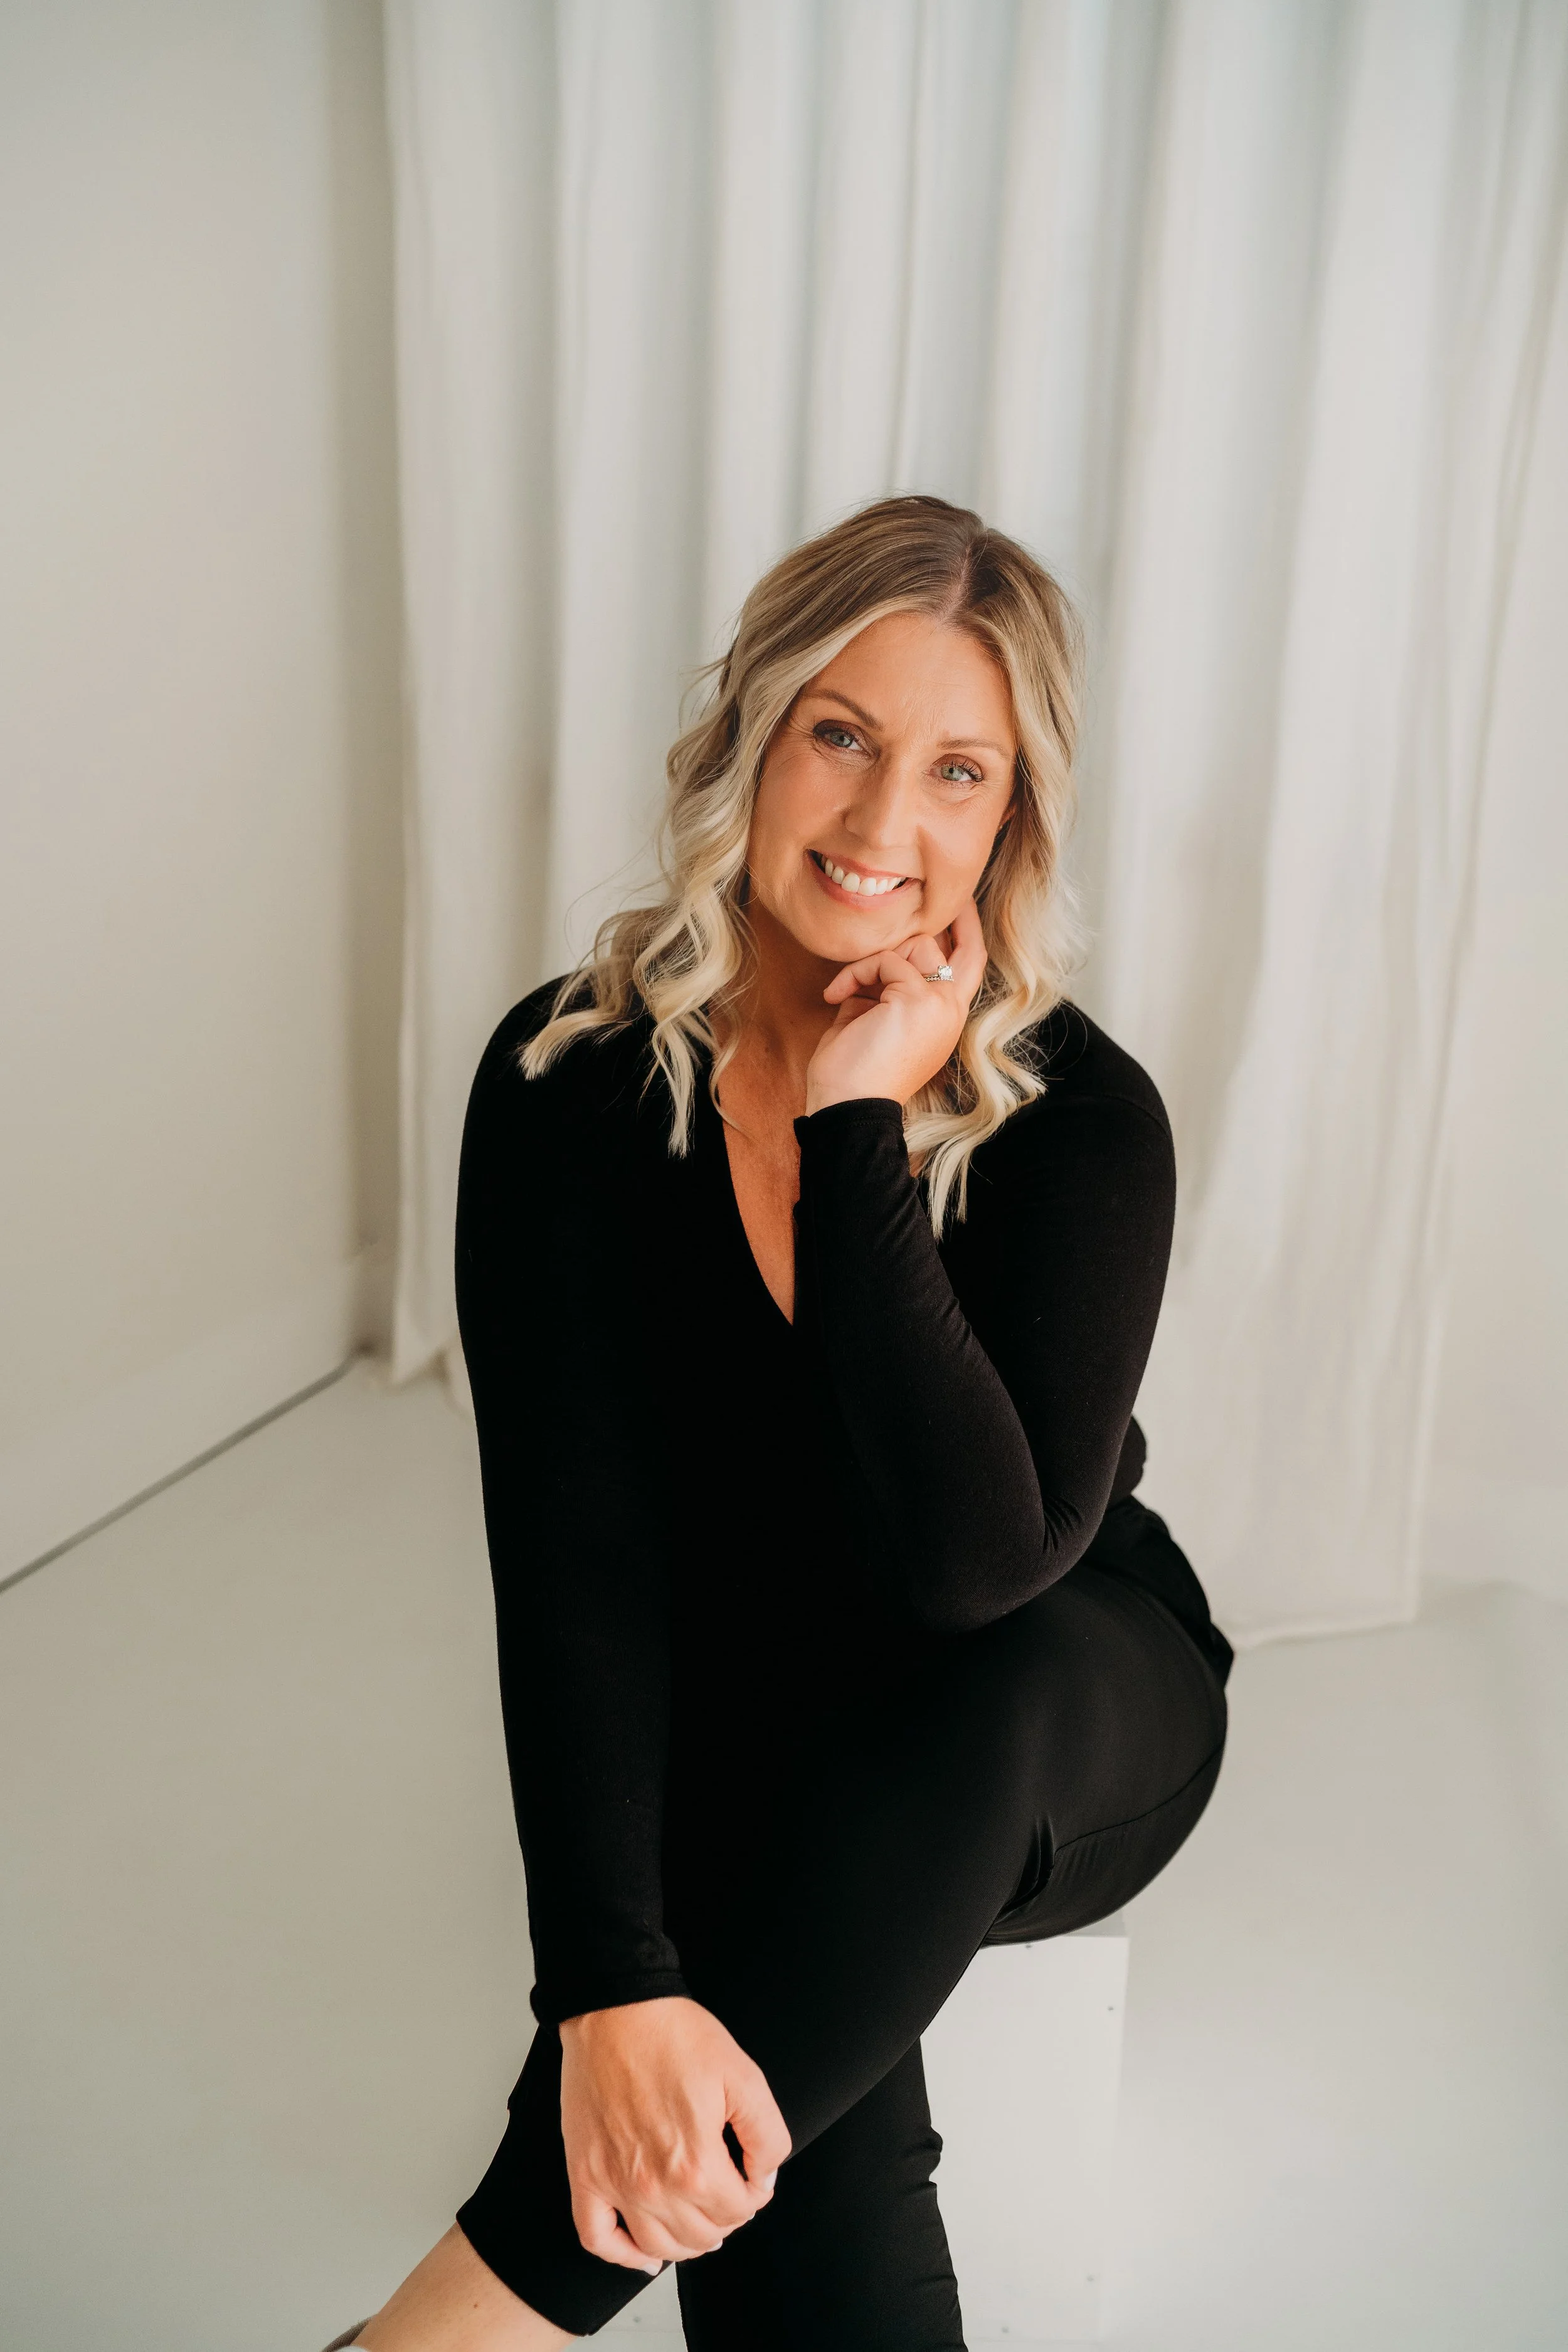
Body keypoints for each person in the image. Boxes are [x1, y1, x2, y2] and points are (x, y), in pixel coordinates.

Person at [326, 495, 1232, 2352]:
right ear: (751, 729)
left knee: (963, 1693)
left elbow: (970, 1565)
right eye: (842, 732)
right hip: (783, 1715)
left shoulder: (1080, 1125)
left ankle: (454, 2326)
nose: (886, 823)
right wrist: (607, 1990)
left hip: (1061, 1701)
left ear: (1011, 821)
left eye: (958, 771)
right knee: (769, 1935)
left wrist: (854, 1133)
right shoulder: (565, 1085)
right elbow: (574, 1560)